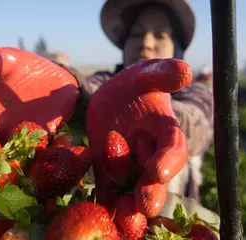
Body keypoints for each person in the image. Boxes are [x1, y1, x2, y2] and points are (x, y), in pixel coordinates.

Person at [67, 0, 214, 202]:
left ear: (177, 49)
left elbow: (199, 123)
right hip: (104, 210)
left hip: (173, 223)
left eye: (160, 35)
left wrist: (156, 112)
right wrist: (64, 78)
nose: (145, 43)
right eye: (136, 34)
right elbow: (84, 90)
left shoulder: (195, 92)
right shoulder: (104, 82)